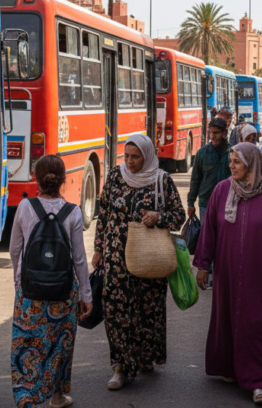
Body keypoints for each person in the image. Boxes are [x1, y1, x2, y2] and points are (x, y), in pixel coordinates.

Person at [193, 143, 262, 406]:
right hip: (227, 271)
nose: (231, 166)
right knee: (228, 318)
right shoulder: (222, 190)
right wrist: (203, 265)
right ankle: (231, 368)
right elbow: (209, 231)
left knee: (258, 323)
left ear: (252, 164)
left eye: (237, 162)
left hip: (260, 271)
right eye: (230, 161)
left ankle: (259, 382)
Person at [92, 134, 185, 390]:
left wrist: (159, 216)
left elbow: (179, 216)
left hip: (149, 259)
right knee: (114, 309)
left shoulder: (161, 180)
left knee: (146, 311)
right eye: (127, 156)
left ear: (147, 156)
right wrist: (98, 248)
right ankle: (120, 367)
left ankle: (144, 357)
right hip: (115, 257)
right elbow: (104, 214)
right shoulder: (114, 176)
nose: (130, 162)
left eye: (136, 157)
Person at [9, 156, 91, 408]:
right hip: (63, 293)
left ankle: (26, 397)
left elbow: (15, 249)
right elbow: (78, 259)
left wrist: (19, 281)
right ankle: (56, 396)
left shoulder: (25, 207)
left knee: (28, 342)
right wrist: (86, 296)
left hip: (30, 291)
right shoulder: (73, 212)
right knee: (59, 344)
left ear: (36, 177)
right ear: (64, 180)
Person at [188, 118, 232, 221]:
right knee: (207, 235)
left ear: (224, 133)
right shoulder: (202, 153)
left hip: (227, 203)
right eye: (211, 132)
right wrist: (191, 203)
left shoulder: (233, 153)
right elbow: (195, 179)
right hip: (206, 203)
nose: (212, 136)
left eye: (216, 133)